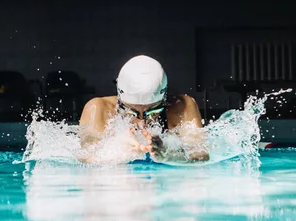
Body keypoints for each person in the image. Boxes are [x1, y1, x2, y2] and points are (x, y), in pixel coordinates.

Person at [78, 55, 209, 164]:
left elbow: (201, 155)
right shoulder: (98, 108)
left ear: (164, 100)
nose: (142, 121)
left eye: (152, 112)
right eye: (131, 111)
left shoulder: (182, 106)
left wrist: (173, 156)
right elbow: (86, 158)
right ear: (121, 100)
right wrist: (117, 151)